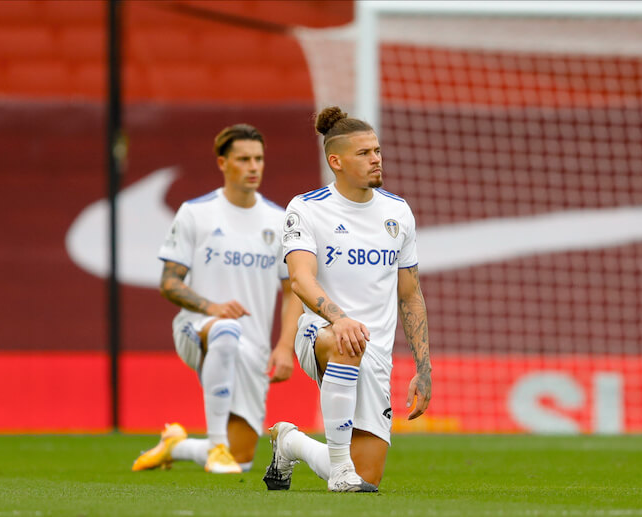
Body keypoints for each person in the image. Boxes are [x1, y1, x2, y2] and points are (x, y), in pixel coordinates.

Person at [263, 107, 432, 492]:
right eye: (364, 153)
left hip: (376, 351)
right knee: (344, 341)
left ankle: (289, 443)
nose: (376, 159)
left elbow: (410, 296)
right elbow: (300, 279)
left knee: (368, 476)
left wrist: (424, 368)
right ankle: (340, 471)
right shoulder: (306, 208)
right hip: (321, 332)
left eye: (377, 151)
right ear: (335, 161)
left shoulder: (398, 212)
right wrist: (338, 319)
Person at [132, 124, 302, 474]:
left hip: (253, 345)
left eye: (258, 159)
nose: (253, 167)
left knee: (243, 459)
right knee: (226, 330)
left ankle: (177, 446)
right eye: (243, 159)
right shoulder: (196, 213)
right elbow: (169, 282)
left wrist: (285, 346)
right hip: (197, 328)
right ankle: (216, 443)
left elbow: (292, 290)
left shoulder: (279, 220)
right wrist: (212, 308)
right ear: (223, 163)